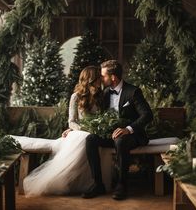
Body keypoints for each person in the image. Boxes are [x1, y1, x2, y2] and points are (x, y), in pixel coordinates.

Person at [17, 65, 106, 196]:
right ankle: (71, 180)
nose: (101, 80)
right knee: (82, 139)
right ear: (91, 79)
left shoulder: (101, 96)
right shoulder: (76, 97)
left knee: (90, 140)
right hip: (81, 130)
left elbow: (103, 117)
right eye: (99, 77)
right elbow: (72, 121)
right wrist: (84, 129)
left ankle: (94, 182)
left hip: (96, 132)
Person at [82, 60, 153, 200]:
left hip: (132, 136)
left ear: (113, 77)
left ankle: (122, 185)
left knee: (120, 141)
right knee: (90, 139)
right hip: (111, 135)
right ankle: (98, 184)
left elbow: (147, 115)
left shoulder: (133, 91)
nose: (100, 78)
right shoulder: (106, 92)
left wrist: (128, 129)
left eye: (103, 76)